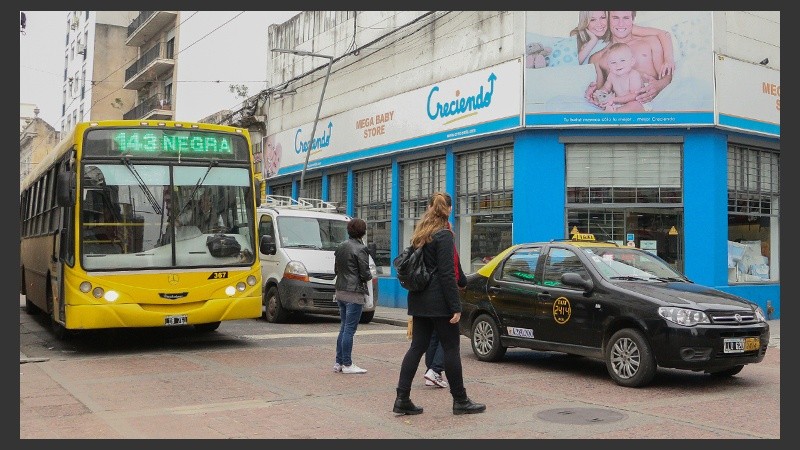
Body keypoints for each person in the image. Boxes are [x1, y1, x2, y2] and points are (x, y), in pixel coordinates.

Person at [392, 192, 485, 416]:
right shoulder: (444, 235)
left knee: (416, 347)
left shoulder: (421, 233)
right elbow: (445, 273)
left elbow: (452, 270)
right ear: (449, 209)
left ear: (430, 208)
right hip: (439, 301)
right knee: (451, 348)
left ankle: (402, 398)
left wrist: (462, 280)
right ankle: (460, 400)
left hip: (419, 299)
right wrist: (455, 306)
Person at [585, 11, 674, 108]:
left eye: (626, 18)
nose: (621, 24)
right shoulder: (597, 58)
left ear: (632, 19)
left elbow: (666, 75)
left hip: (649, 101)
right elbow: (601, 90)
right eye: (615, 18)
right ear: (608, 20)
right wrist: (593, 94)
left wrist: (659, 86)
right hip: (622, 103)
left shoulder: (650, 41)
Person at [571, 10, 675, 75]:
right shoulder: (585, 42)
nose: (599, 24)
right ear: (585, 22)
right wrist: (592, 41)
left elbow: (663, 34)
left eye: (603, 18)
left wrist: (668, 59)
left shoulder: (619, 29)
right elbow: (574, 65)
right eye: (592, 20)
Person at [333, 217, 373, 375]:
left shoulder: (341, 246)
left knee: (343, 328)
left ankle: (339, 362)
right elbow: (365, 273)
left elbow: (336, 270)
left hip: (340, 291)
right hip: (354, 293)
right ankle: (347, 363)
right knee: (349, 329)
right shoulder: (361, 249)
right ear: (362, 232)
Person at [595, 42, 650, 112]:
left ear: (632, 62)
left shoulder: (634, 75)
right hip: (619, 102)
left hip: (636, 101)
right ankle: (613, 112)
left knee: (634, 105)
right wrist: (601, 94)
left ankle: (615, 113)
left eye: (622, 60)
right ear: (608, 65)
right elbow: (606, 88)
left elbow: (634, 96)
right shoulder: (611, 75)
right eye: (613, 62)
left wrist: (614, 99)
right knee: (604, 103)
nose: (618, 65)